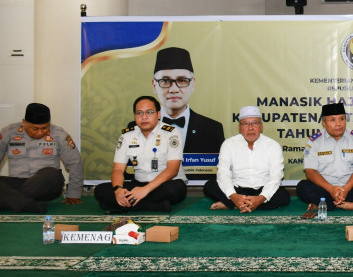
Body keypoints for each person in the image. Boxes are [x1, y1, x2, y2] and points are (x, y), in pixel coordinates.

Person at [95, 96, 188, 213]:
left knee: (173, 190)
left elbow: (172, 170)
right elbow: (118, 169)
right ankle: (155, 206)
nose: (144, 117)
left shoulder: (171, 133)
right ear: (134, 116)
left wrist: (145, 190)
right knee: (100, 190)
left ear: (158, 114)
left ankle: (127, 204)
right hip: (138, 184)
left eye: (149, 112)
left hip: (166, 184)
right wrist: (118, 190)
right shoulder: (127, 136)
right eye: (139, 113)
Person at [151, 47, 224, 181]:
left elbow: (219, 173)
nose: (173, 89)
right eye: (165, 81)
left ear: (193, 84)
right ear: (154, 85)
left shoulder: (212, 129)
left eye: (182, 81)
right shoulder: (140, 127)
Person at [203, 106, 290, 212]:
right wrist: (233, 196)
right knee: (209, 186)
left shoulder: (272, 145)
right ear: (240, 127)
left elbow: (276, 177)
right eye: (245, 123)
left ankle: (234, 205)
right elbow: (223, 173)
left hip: (262, 189)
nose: (250, 128)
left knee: (283, 196)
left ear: (261, 126)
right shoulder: (229, 144)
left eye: (255, 123)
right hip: (237, 189)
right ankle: (242, 203)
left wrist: (261, 198)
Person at [0, 103, 84, 212]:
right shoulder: (8, 133)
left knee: (51, 173)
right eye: (35, 129)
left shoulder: (59, 134)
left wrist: (74, 194)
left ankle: (10, 199)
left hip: (47, 185)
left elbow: (75, 162)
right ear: (24, 123)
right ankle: (27, 205)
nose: (40, 132)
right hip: (18, 182)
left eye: (44, 128)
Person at [297, 102, 353, 212]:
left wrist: (345, 189)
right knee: (302, 187)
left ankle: (324, 205)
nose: (339, 124)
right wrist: (331, 189)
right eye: (333, 120)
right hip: (325, 187)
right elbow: (310, 171)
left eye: (342, 119)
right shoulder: (314, 141)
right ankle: (348, 204)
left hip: (349, 187)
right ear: (324, 123)